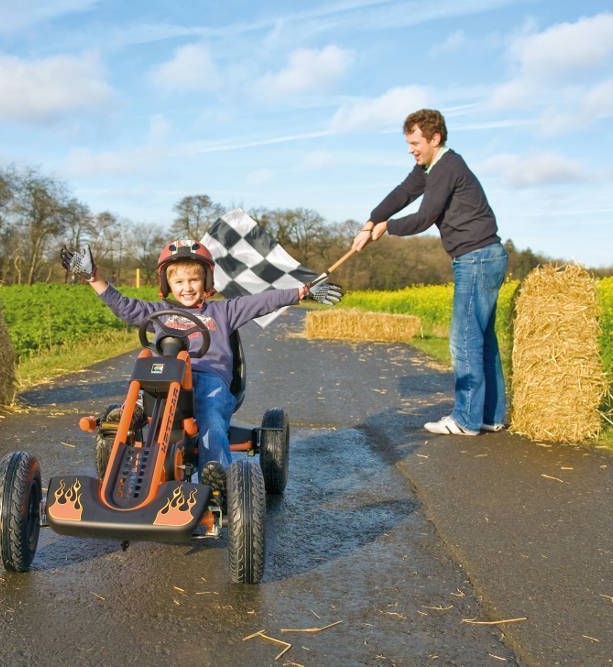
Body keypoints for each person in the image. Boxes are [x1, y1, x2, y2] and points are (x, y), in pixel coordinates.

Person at [61, 239, 343, 499]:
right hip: (166, 378)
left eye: (194, 279)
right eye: (179, 281)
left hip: (209, 380)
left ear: (206, 281)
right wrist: (92, 277)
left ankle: (216, 476)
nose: (187, 287)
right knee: (141, 384)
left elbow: (261, 303)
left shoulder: (222, 312)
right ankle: (123, 458)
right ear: (167, 283)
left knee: (210, 417)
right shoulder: (158, 312)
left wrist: (302, 292)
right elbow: (122, 305)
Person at [351, 108, 508, 436]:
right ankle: (490, 416)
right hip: (484, 256)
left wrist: (386, 227)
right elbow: (402, 193)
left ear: (435, 138)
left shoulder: (446, 167)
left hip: (476, 258)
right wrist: (369, 221)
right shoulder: (430, 167)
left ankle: (465, 420)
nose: (411, 149)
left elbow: (424, 216)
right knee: (482, 339)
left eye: (415, 142)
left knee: (463, 340)